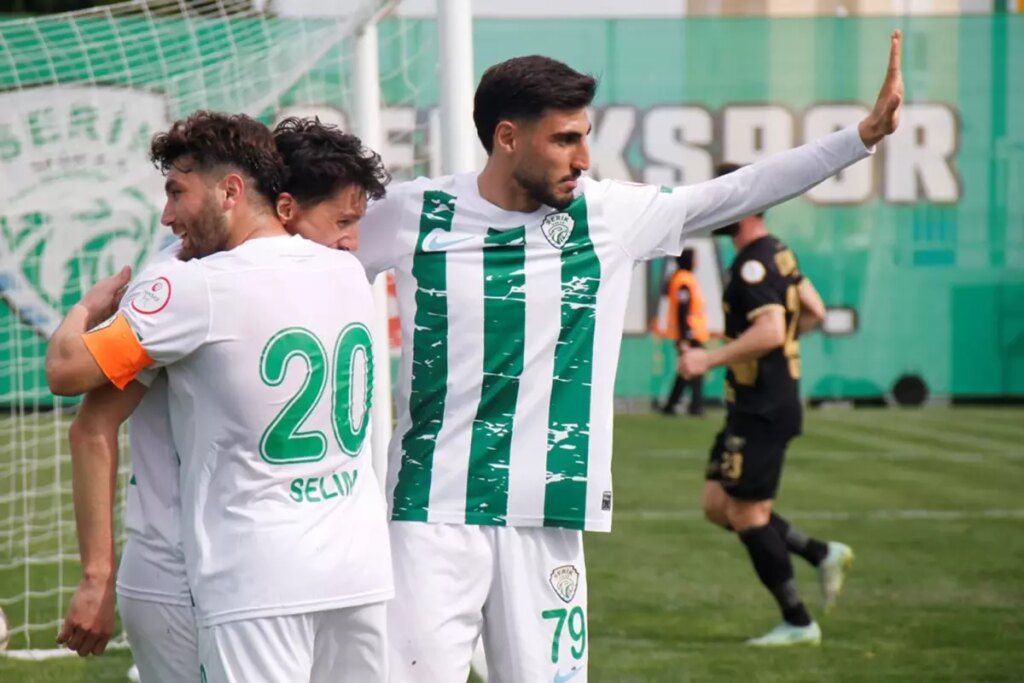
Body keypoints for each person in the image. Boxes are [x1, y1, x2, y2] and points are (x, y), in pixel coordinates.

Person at [355, 31, 903, 681]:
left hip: (548, 515)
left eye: (585, 136)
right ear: (507, 138)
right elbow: (303, 262)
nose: (584, 157)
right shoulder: (414, 213)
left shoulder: (607, 216)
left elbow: (738, 191)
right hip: (430, 515)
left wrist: (861, 137)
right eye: (565, 139)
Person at [45, 111, 392, 682]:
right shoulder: (347, 273)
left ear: (231, 191)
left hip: (256, 575)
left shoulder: (190, 286)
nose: (167, 215)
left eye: (176, 192)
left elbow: (65, 372)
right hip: (358, 568)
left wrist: (86, 308)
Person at [678, 162, 851, 646]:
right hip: (755, 404)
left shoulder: (753, 263)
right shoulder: (778, 251)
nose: (714, 208)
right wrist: (758, 350)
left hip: (763, 409)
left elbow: (773, 330)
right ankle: (820, 553)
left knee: (748, 515)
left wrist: (711, 359)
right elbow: (813, 311)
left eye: (722, 198)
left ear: (745, 204)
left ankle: (799, 622)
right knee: (719, 505)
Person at [657, 248, 709, 416]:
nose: (697, 262)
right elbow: (682, 310)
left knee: (687, 370)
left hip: (690, 332)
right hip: (689, 333)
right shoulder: (683, 281)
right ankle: (696, 406)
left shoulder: (685, 279)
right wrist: (685, 337)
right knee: (696, 368)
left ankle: (672, 405)